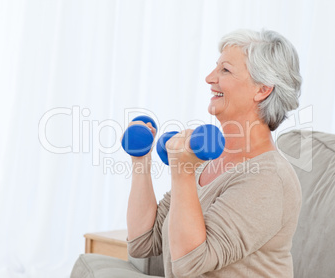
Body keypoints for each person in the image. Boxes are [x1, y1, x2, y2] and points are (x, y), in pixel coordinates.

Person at [126, 28, 302, 278]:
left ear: (262, 89)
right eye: (215, 67)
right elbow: (143, 242)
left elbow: (189, 265)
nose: (209, 78)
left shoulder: (270, 178)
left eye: (225, 70)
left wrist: (183, 171)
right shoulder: (205, 158)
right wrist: (140, 160)